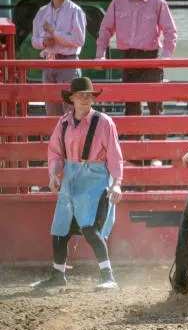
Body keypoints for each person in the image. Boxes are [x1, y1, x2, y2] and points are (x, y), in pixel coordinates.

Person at [32, 77, 124, 289]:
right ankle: (58, 275)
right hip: (71, 178)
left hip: (95, 177)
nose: (85, 98)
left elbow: (114, 155)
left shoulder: (104, 123)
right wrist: (54, 174)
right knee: (60, 228)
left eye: (88, 95)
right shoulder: (63, 123)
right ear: (71, 99)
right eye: (80, 95)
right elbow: (55, 153)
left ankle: (107, 276)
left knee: (89, 226)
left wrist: (117, 183)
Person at [96, 0, 177, 136]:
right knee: (131, 105)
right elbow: (105, 29)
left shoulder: (158, 1)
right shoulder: (118, 0)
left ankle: (157, 155)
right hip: (128, 58)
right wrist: (100, 55)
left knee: (155, 105)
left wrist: (165, 56)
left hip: (152, 59)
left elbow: (170, 32)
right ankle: (135, 157)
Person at [32, 0, 86, 116]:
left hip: (68, 63)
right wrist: (44, 42)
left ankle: (70, 138)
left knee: (71, 110)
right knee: (51, 110)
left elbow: (79, 40)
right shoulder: (41, 12)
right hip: (49, 63)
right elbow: (35, 41)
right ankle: (57, 138)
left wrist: (54, 33)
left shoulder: (76, 11)